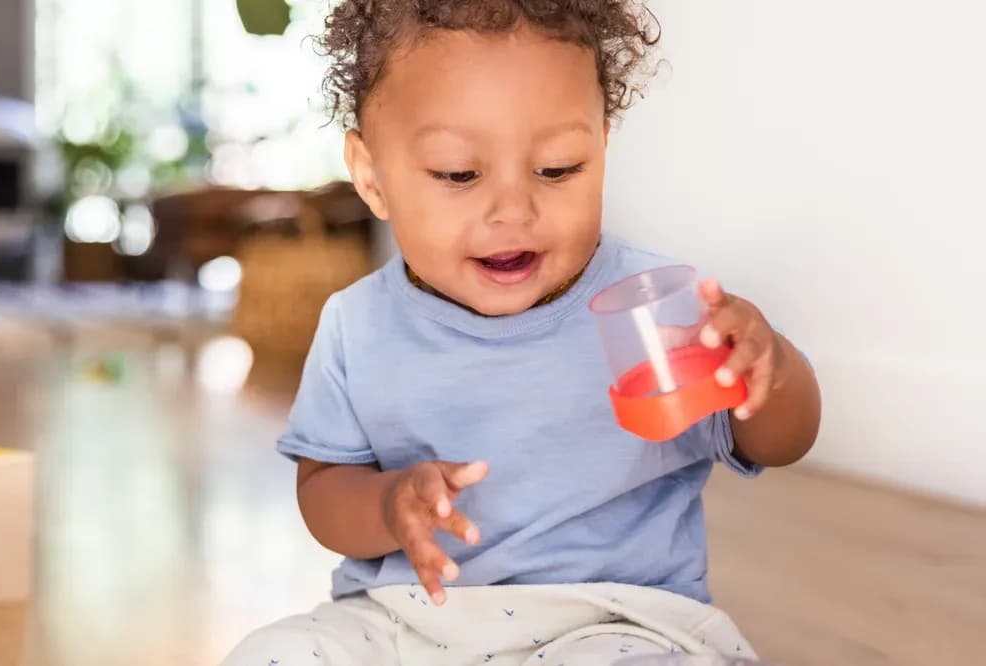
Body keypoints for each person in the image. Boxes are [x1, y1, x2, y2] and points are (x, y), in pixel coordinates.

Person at [222, 1, 821, 664]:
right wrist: (390, 505)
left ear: (602, 143)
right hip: (409, 621)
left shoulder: (661, 308)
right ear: (372, 177)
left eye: (558, 168)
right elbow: (322, 491)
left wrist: (773, 372)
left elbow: (780, 442)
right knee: (273, 652)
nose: (514, 210)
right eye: (458, 173)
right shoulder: (356, 324)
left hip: (613, 621)